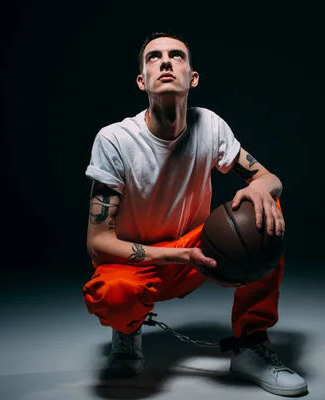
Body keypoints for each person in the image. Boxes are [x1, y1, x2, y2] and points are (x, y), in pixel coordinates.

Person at [81, 31, 308, 397]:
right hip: (138, 260)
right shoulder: (114, 140)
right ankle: (126, 332)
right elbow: (98, 244)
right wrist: (180, 255)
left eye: (177, 56)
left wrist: (259, 186)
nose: (166, 62)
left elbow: (270, 179)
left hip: (197, 250)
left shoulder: (210, 125)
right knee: (114, 293)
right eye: (154, 57)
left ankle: (251, 346)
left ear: (193, 77)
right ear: (142, 81)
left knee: (263, 213)